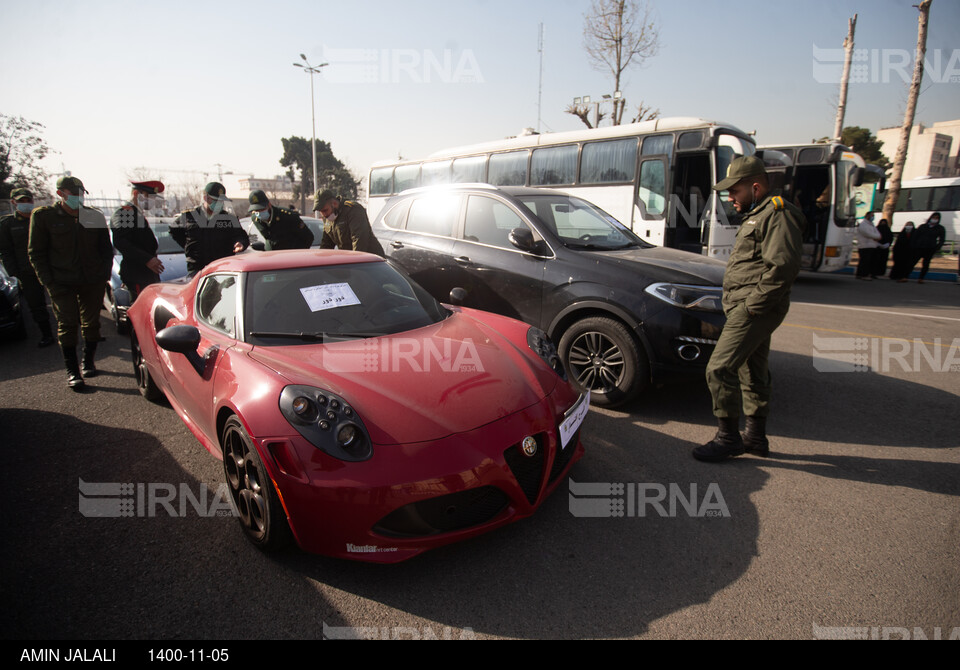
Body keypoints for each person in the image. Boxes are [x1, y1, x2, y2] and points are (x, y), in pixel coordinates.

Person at [693, 156, 805, 462]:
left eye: (735, 191)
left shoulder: (778, 214)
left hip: (755, 307)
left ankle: (728, 439)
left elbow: (782, 267)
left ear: (755, 187)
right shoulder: (759, 213)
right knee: (752, 371)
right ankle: (755, 438)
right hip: (747, 305)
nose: (730, 198)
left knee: (718, 368)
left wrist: (753, 307)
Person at [28, 176, 113, 389]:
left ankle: (88, 361)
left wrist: (103, 275)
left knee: (92, 323)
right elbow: (36, 253)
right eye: (74, 194)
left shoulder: (93, 216)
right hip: (61, 281)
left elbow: (105, 249)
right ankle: (73, 371)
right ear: (61, 194)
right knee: (67, 325)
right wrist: (48, 282)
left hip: (92, 280)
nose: (78, 198)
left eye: (81, 194)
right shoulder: (44, 217)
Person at [0, 187, 55, 347]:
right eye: (21, 201)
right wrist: (15, 274)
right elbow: (5, 251)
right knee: (36, 304)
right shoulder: (7, 224)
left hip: (50, 267)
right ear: (13, 202)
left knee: (62, 300)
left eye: (28, 201)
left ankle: (69, 331)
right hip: (27, 271)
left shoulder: (42, 218)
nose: (25, 204)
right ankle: (47, 334)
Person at [170, 182, 249, 276]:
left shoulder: (229, 218)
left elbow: (241, 236)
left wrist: (240, 243)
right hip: (197, 270)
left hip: (222, 269)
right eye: (216, 201)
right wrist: (189, 247)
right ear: (206, 198)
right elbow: (174, 231)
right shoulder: (189, 216)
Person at [110, 180, 166, 300]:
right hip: (138, 276)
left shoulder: (137, 214)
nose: (152, 201)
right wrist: (147, 259)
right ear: (136, 193)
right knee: (139, 315)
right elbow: (121, 242)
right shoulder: (125, 212)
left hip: (146, 276)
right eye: (149, 197)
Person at [313, 189, 384, 255]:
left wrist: (353, 264)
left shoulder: (352, 210)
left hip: (370, 260)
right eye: (321, 211)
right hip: (350, 259)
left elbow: (359, 240)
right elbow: (326, 244)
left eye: (325, 210)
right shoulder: (328, 217)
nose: (323, 214)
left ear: (334, 204)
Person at [247, 189, 314, 250]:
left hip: (290, 257)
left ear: (269, 205)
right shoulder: (256, 219)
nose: (259, 213)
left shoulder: (287, 216)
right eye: (256, 210)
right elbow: (269, 238)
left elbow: (308, 237)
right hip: (271, 257)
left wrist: (297, 254)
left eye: (262, 209)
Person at [910, 212, 945, 283]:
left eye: (936, 218)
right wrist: (914, 245)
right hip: (919, 247)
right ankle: (905, 276)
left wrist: (936, 248)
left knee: (926, 264)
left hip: (930, 248)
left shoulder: (940, 228)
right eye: (933, 218)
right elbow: (915, 236)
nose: (934, 219)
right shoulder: (923, 226)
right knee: (912, 262)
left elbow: (942, 240)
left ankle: (921, 278)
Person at [855, 211, 881, 280]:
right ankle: (863, 275)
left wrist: (877, 237)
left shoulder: (871, 224)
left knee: (868, 261)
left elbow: (878, 233)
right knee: (864, 261)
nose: (873, 217)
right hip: (864, 245)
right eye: (872, 215)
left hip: (871, 245)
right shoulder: (863, 224)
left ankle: (861, 274)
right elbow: (867, 234)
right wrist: (876, 237)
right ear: (867, 216)